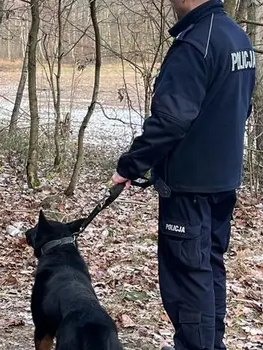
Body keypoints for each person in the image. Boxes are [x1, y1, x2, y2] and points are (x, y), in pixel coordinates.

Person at [111, 1, 256, 349]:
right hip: (222, 181)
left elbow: (170, 121)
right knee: (207, 269)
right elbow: (243, 105)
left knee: (188, 281)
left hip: (191, 186)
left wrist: (129, 165)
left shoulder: (195, 44)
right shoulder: (237, 37)